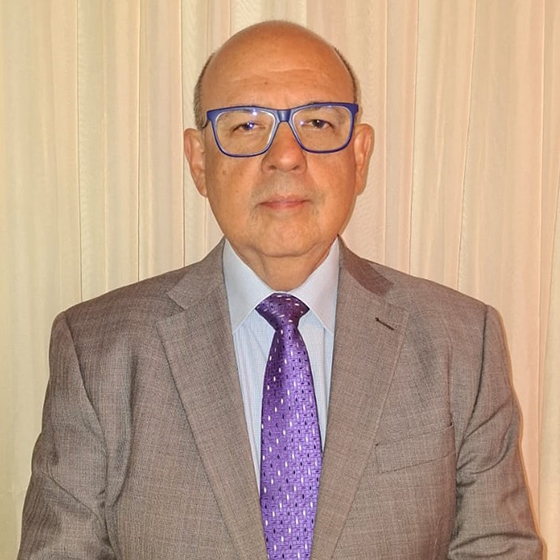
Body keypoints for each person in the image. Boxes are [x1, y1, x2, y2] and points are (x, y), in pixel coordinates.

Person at [18, 20, 542, 560]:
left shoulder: (462, 343)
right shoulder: (98, 352)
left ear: (360, 155)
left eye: (317, 122)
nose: (286, 155)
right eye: (247, 125)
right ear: (199, 161)